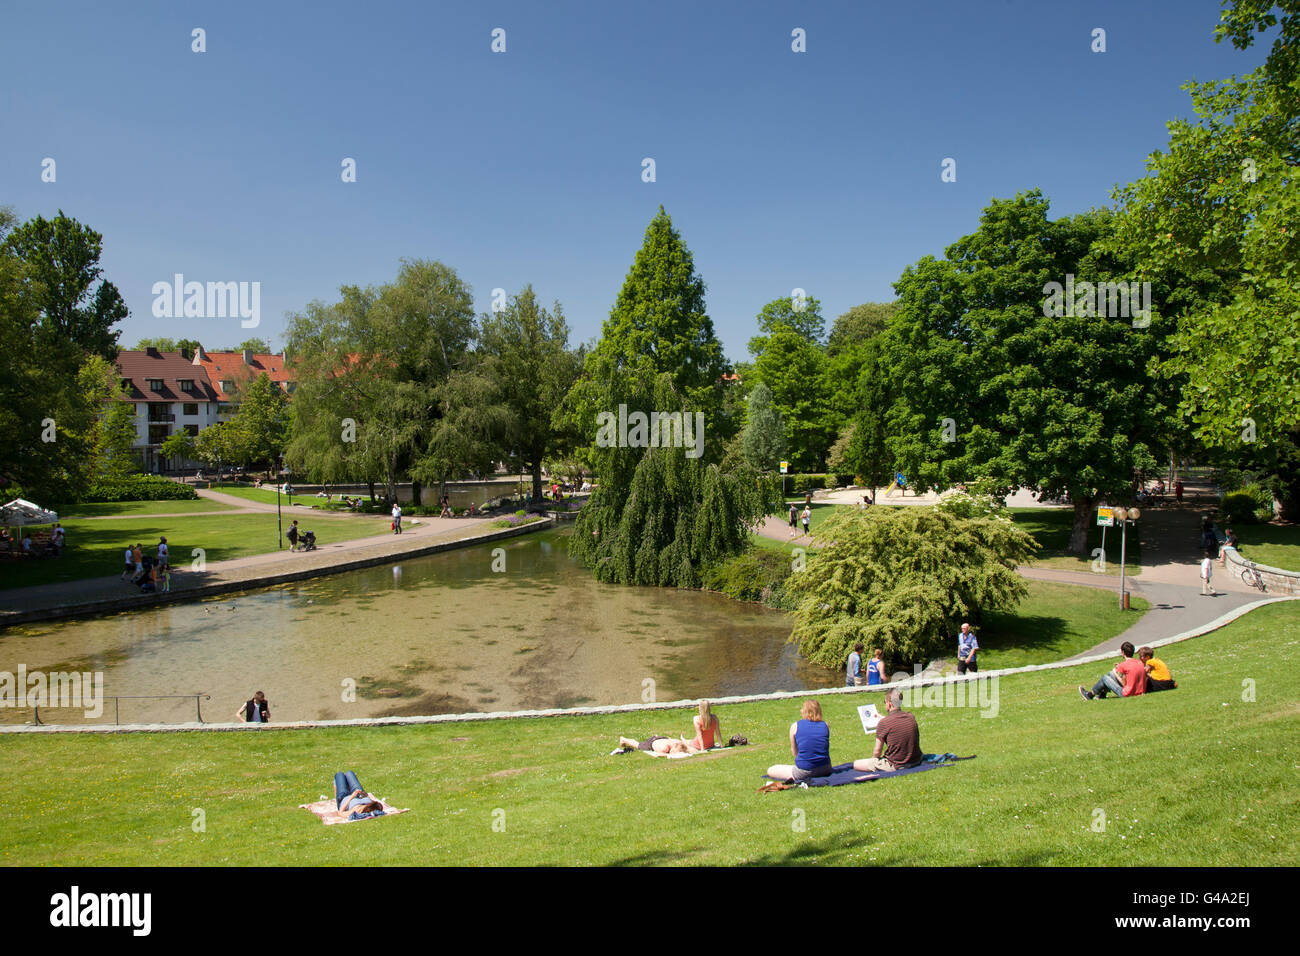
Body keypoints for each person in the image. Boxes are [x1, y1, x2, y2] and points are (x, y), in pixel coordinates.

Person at [853, 689, 923, 773]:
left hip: (896, 764)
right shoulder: (910, 716)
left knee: (856, 764)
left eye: (885, 702)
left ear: (889, 703)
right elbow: (897, 722)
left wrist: (874, 761)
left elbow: (877, 751)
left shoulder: (884, 723)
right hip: (916, 760)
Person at [767, 699, 833, 782]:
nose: (800, 710)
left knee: (771, 770)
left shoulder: (795, 726)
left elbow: (794, 752)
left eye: (802, 708)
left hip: (805, 771)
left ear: (805, 711)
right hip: (826, 768)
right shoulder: (825, 725)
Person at [1079, 642, 1147, 700]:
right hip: (1140, 692)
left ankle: (1090, 695)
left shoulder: (1123, 665)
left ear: (1123, 652)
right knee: (1110, 674)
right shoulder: (1140, 663)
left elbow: (1124, 684)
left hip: (1127, 694)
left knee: (1105, 678)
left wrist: (1115, 672)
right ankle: (1102, 695)